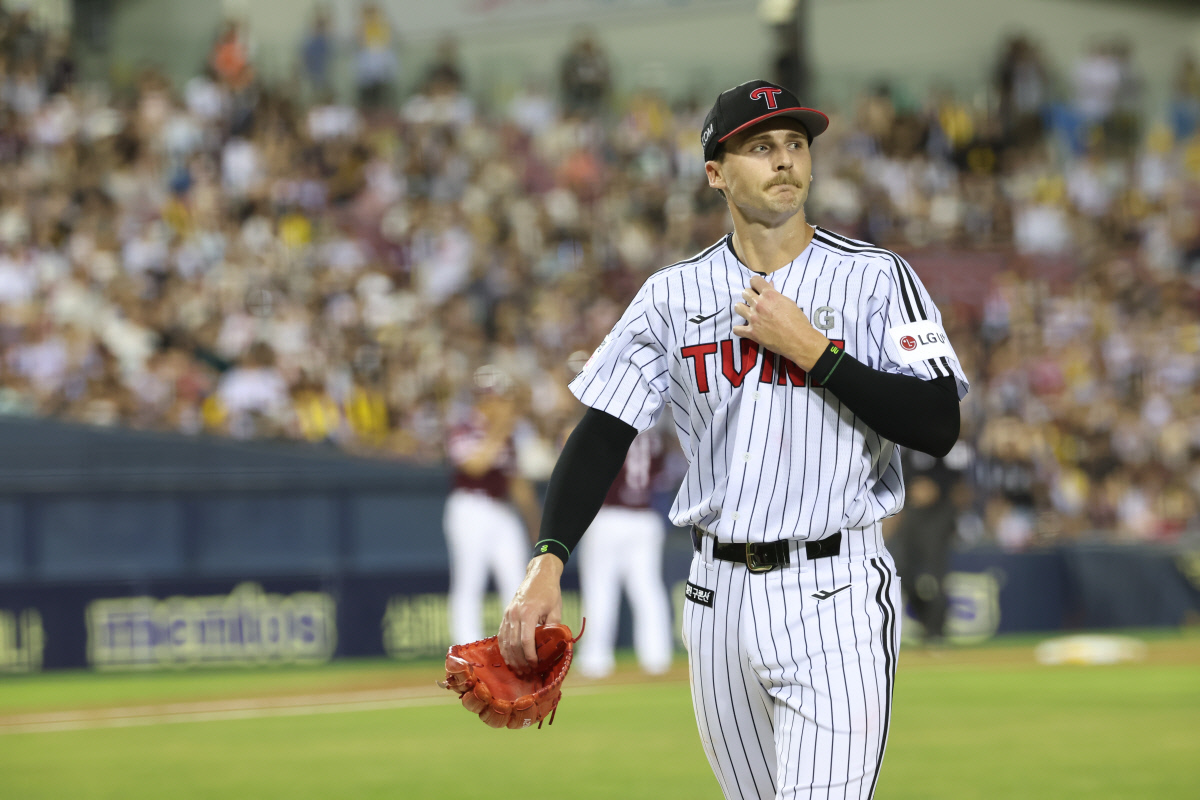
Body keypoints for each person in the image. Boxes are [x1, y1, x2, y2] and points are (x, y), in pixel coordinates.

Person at [499, 80, 968, 799]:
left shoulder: (875, 278)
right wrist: (548, 561)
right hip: (717, 600)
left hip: (834, 590)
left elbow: (937, 423)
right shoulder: (670, 296)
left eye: (795, 144)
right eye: (760, 147)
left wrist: (817, 352)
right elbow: (602, 432)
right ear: (716, 172)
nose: (784, 160)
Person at [444, 366, 540, 644]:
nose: (506, 405)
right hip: (470, 506)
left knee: (516, 581)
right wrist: (499, 429)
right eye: (501, 398)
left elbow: (517, 482)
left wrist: (535, 524)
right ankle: (465, 651)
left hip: (501, 510)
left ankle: (516, 646)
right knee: (469, 581)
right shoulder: (465, 426)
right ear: (486, 399)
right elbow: (475, 466)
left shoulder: (507, 435)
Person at [574, 425, 674, 678]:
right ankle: (657, 656)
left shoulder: (610, 426)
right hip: (645, 517)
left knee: (600, 589)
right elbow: (666, 476)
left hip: (609, 514)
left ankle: (595, 660)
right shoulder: (655, 434)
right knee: (647, 588)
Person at [888, 444, 971, 645]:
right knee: (902, 571)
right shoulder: (904, 440)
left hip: (939, 511)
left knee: (935, 576)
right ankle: (926, 622)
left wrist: (937, 488)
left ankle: (937, 631)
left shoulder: (945, 438)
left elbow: (959, 479)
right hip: (912, 510)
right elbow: (900, 471)